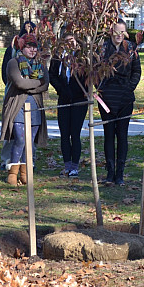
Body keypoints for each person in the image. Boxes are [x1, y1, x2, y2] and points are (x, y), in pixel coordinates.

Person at [97, 19, 141, 185]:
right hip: (106, 97)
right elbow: (95, 70)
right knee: (109, 135)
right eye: (116, 32)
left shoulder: (131, 48)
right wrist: (100, 89)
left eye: (122, 32)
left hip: (125, 97)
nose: (119, 35)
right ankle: (110, 172)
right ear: (111, 32)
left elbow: (137, 71)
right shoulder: (102, 48)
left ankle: (120, 174)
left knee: (122, 135)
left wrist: (130, 87)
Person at [0, 33, 49, 185]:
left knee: (30, 141)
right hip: (17, 106)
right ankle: (12, 173)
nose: (32, 50)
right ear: (22, 47)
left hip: (35, 107)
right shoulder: (13, 63)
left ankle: (26, 172)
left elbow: (45, 84)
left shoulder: (40, 64)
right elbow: (19, 83)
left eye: (35, 47)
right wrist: (36, 84)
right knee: (20, 139)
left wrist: (30, 86)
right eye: (29, 46)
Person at [49, 28, 88, 178]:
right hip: (64, 99)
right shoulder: (58, 56)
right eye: (66, 42)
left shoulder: (82, 57)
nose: (69, 44)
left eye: (72, 41)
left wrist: (80, 91)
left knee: (75, 133)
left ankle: (75, 166)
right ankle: (67, 165)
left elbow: (88, 76)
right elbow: (52, 75)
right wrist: (61, 89)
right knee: (64, 133)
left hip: (79, 100)